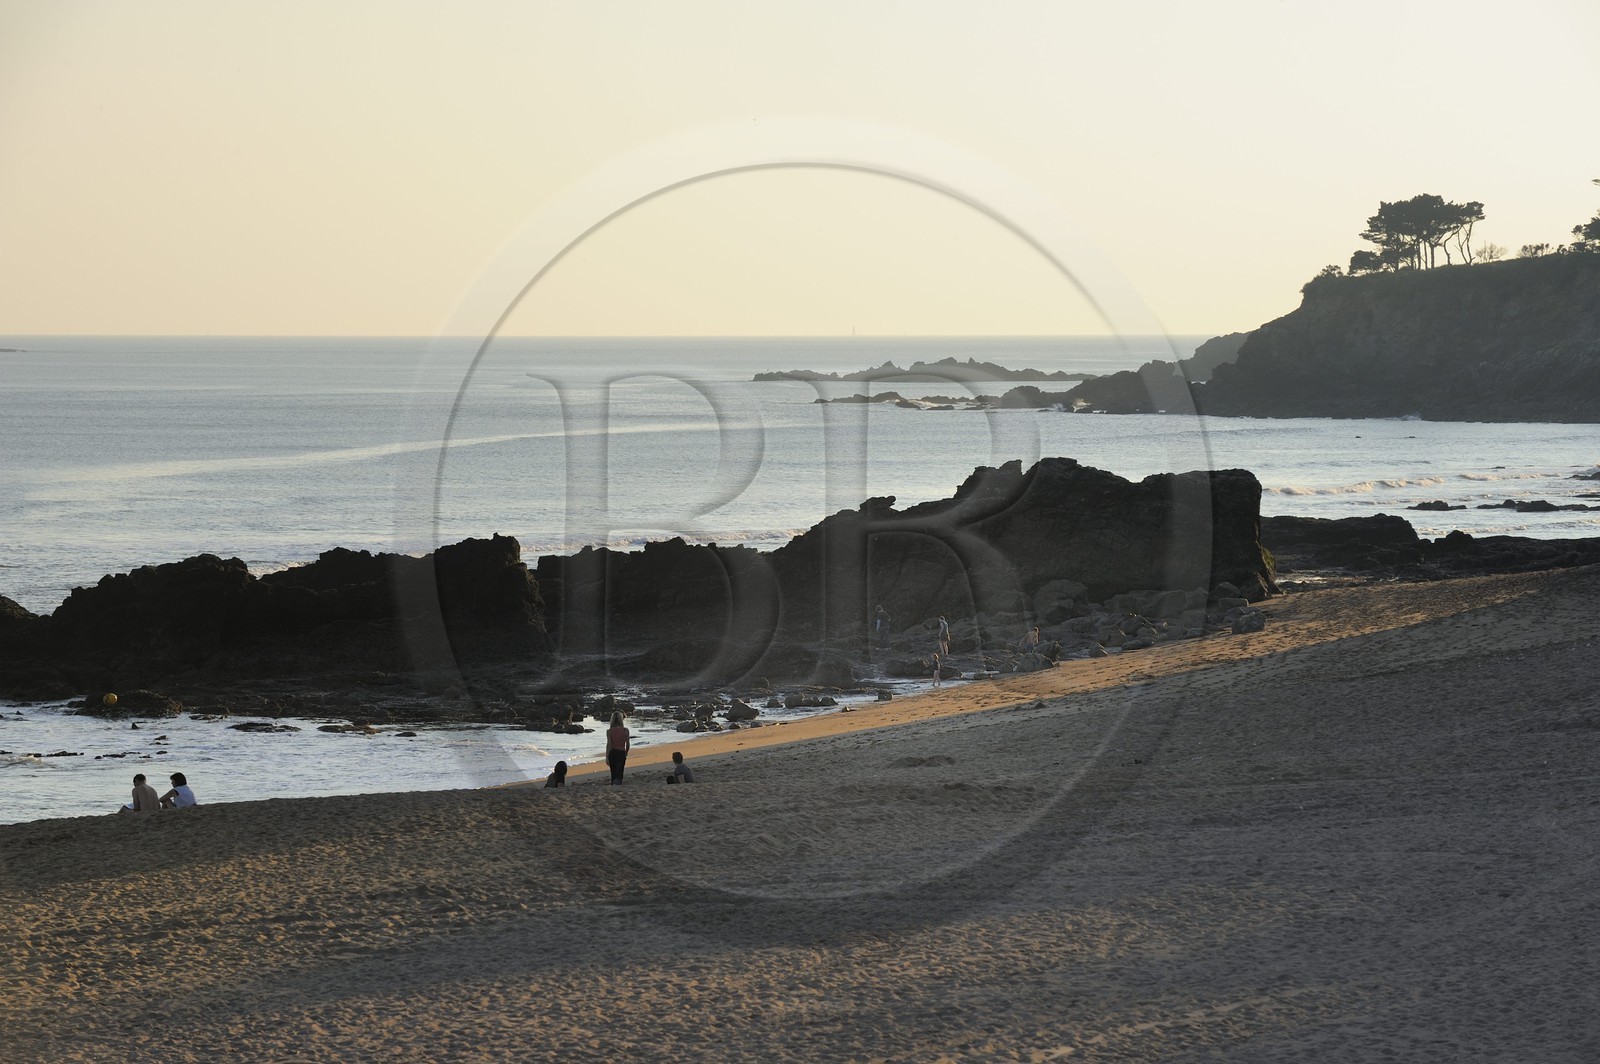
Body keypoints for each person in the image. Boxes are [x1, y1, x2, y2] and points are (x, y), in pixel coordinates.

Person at [605, 712, 631, 784]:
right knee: (620, 771)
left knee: (613, 772)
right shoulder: (625, 730)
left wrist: (607, 757)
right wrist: (626, 753)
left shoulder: (609, 731)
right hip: (621, 752)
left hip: (612, 752)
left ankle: (614, 783)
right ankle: (618, 783)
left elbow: (609, 744)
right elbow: (628, 744)